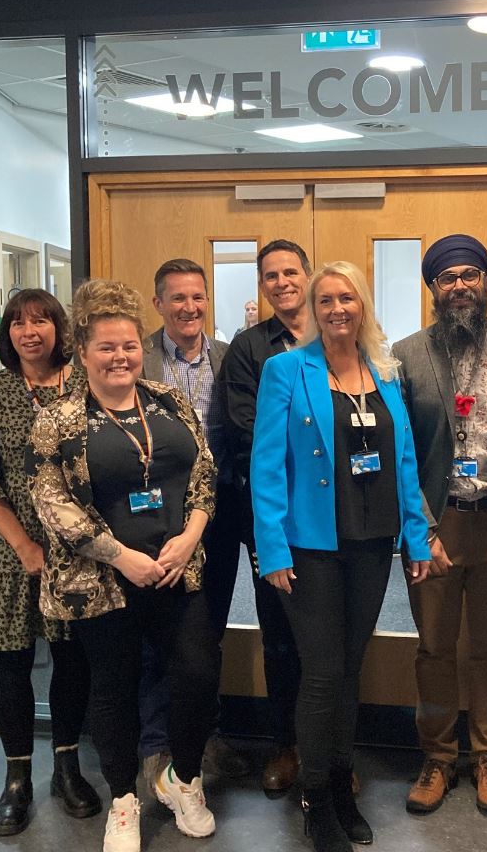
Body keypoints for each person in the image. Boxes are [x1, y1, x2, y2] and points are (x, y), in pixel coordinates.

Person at [28, 279, 220, 852]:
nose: (120, 357)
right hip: (100, 583)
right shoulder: (58, 419)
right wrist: (120, 556)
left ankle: (183, 779)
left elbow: (203, 471)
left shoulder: (168, 402)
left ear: (143, 348)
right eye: (107, 347)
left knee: (198, 674)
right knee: (112, 689)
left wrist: (190, 534)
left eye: (130, 346)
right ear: (83, 352)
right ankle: (123, 800)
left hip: (176, 570)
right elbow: (51, 503)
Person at [251, 261, 431, 852]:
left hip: (373, 543)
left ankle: (343, 786)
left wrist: (418, 537)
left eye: (346, 298)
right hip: (310, 547)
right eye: (325, 300)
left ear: (363, 306)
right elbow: (268, 467)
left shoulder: (386, 372)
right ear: (313, 308)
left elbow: (403, 461)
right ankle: (315, 796)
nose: (336, 309)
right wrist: (272, 548)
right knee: (323, 673)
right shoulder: (286, 370)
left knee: (351, 669)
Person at [394, 233, 487, 816]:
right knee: (433, 647)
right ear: (432, 288)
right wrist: (415, 528)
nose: (460, 286)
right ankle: (435, 756)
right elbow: (402, 452)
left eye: (469, 275)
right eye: (447, 277)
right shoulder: (404, 356)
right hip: (436, 521)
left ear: (486, 281)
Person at [0, 289, 100, 836]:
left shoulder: (83, 385)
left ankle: (67, 769)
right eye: (18, 323)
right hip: (8, 553)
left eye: (41, 320)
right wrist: (25, 546)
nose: (29, 331)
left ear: (58, 329)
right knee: (11, 667)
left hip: (79, 552)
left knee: (72, 662)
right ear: (7, 335)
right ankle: (17, 779)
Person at [138, 258, 248, 789]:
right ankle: (157, 745)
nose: (189, 307)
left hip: (218, 513)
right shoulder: (136, 356)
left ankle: (206, 735)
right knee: (159, 632)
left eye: (197, 297)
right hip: (154, 515)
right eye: (177, 297)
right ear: (158, 303)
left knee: (209, 629)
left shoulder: (230, 357)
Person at [220, 239, 312, 794]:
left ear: (308, 273)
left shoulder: (337, 333)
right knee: (279, 632)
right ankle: (286, 746)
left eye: (289, 272)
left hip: (335, 515)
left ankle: (330, 751)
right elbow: (247, 426)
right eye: (270, 275)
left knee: (331, 639)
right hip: (272, 513)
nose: (281, 282)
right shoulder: (249, 348)